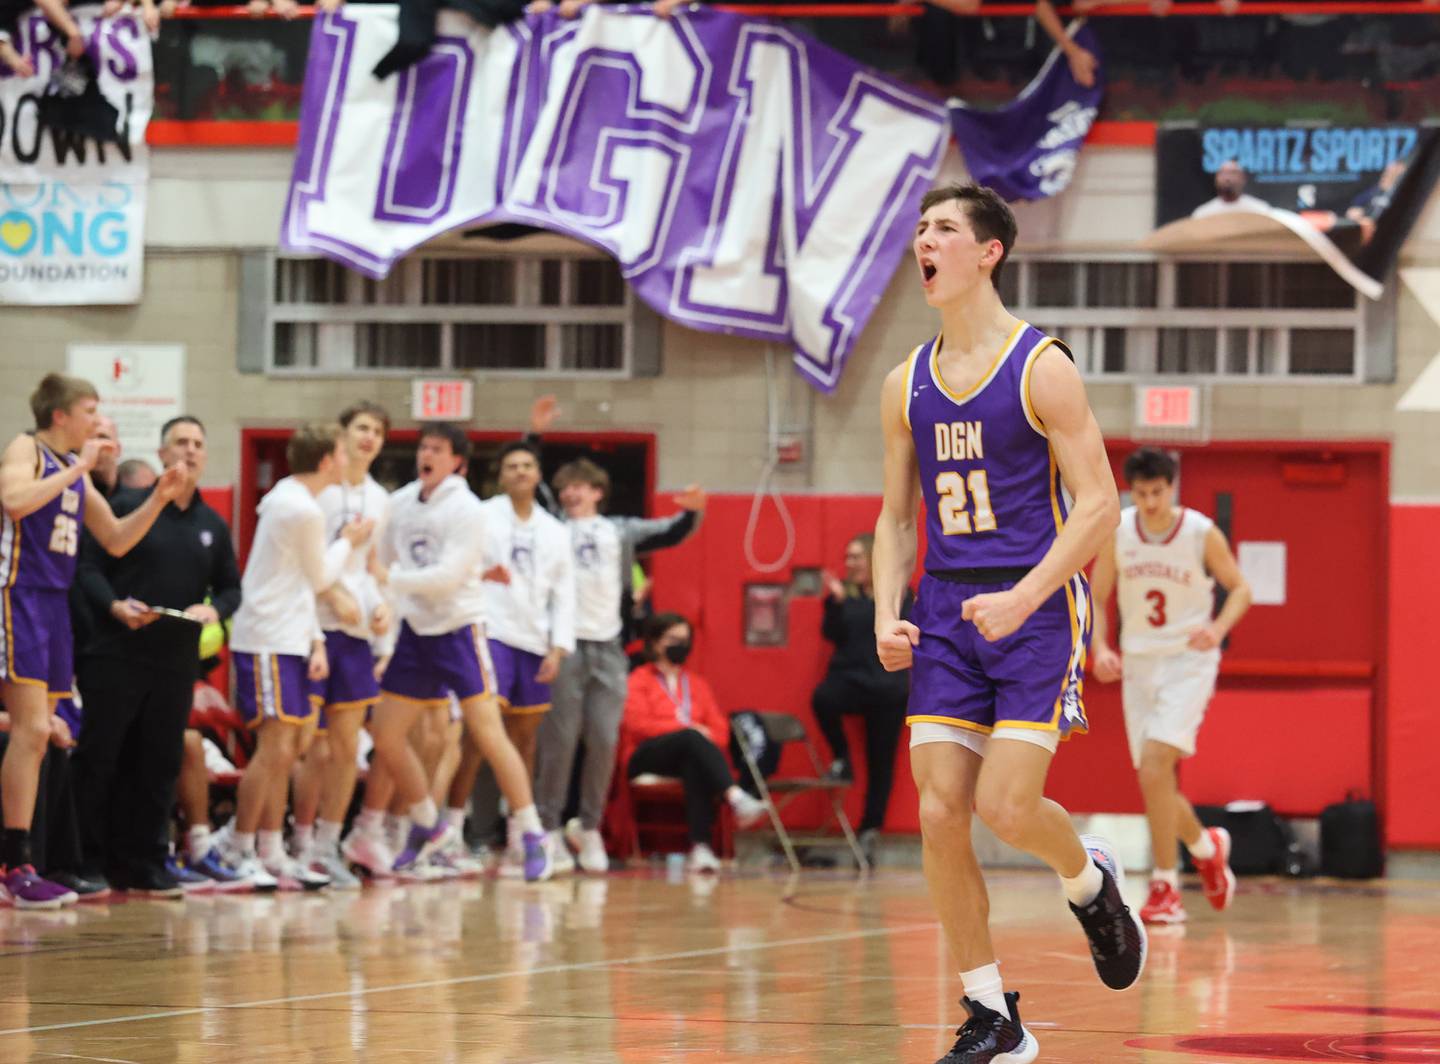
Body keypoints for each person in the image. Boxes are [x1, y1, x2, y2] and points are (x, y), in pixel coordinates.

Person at [873, 183, 1142, 1064]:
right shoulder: (903, 382)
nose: (926, 241)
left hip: (1034, 605)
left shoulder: (1042, 367)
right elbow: (896, 518)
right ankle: (993, 1014)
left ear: (988, 252)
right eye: (920, 230)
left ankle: (1088, 878)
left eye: (944, 228)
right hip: (946, 611)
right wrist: (887, 610)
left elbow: (1099, 505)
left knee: (1006, 805)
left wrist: (1027, 596)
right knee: (942, 810)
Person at [0, 373, 185, 908]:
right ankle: (17, 863)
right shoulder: (27, 448)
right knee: (33, 730)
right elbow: (13, 500)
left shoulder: (74, 476)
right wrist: (82, 467)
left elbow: (117, 540)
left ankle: (26, 861)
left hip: (54, 605)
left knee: (42, 737)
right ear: (60, 415)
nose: (97, 422)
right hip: (19, 595)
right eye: (89, 411)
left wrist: (156, 500)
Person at [345, 424, 550, 882]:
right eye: (422, 446)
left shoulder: (468, 509)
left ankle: (534, 833)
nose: (426, 454)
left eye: (436, 448)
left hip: (460, 629)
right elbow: (383, 558)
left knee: (487, 733)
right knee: (387, 733)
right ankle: (424, 821)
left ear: (457, 460)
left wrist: (387, 578)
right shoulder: (399, 503)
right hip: (416, 631)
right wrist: (384, 597)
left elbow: (449, 576)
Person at [72, 416, 243, 896]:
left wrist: (214, 611)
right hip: (115, 654)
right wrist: (114, 605)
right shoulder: (126, 507)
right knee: (102, 759)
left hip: (175, 661)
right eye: (180, 443)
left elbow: (231, 587)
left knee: (159, 764)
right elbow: (87, 570)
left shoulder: (212, 525)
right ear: (163, 454)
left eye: (197, 444)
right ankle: (86, 859)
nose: (189, 451)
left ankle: (146, 861)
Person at [1089, 447, 1251, 926]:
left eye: (1158, 492)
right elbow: (1097, 597)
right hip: (1138, 662)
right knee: (1153, 777)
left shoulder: (1201, 532)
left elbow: (1240, 588)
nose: (1151, 502)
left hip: (1187, 660)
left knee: (1157, 765)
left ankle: (1165, 886)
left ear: (1172, 487)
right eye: (1141, 493)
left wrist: (1217, 629)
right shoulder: (1118, 530)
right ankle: (1206, 846)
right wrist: (1098, 648)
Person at [534, 455, 706, 875]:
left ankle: (588, 826)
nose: (570, 492)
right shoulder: (552, 529)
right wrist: (534, 437)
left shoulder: (620, 531)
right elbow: (531, 490)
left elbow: (673, 531)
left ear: (597, 492)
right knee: (559, 742)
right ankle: (548, 827)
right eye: (565, 487)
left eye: (579, 485)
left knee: (605, 739)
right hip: (565, 645)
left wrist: (694, 510)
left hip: (609, 648)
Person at [215, 422, 369, 892]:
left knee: (291, 748)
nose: (346, 461)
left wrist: (316, 642)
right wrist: (350, 540)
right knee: (275, 749)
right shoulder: (302, 510)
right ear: (326, 460)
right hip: (265, 638)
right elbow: (321, 578)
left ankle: (271, 849)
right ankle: (236, 846)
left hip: (290, 638)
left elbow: (299, 582)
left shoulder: (291, 498)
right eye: (341, 453)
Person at [289, 401, 392, 891]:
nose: (369, 437)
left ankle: (329, 846)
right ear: (343, 436)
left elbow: (371, 568)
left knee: (348, 747)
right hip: (309, 624)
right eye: (361, 428)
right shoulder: (318, 491)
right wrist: (330, 593)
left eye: (377, 431)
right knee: (310, 745)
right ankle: (299, 841)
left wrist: (380, 609)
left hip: (354, 635)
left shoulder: (379, 499)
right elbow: (302, 563)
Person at [469, 441, 574, 875]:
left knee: (524, 740)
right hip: (491, 631)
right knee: (479, 734)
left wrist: (558, 646)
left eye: (526, 465)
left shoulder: (555, 530)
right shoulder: (482, 515)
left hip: (533, 640)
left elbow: (564, 593)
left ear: (537, 474)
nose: (519, 471)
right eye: (510, 465)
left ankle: (519, 833)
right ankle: (472, 831)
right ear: (501, 475)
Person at [621, 613, 767, 873]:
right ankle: (735, 797)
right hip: (645, 754)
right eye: (673, 639)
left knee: (694, 760)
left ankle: (700, 848)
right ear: (655, 643)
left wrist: (696, 734)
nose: (681, 645)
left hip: (685, 755)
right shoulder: (639, 680)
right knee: (691, 738)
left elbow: (721, 733)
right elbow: (638, 726)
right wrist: (686, 729)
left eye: (685, 640)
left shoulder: (697, 684)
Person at [812, 534, 911, 864]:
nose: (850, 563)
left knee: (880, 764)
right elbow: (831, 634)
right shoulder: (843, 595)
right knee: (823, 698)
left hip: (888, 688)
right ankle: (841, 758)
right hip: (850, 680)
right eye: (848, 557)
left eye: (856, 557)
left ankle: (869, 831)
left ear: (872, 558)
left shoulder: (897, 594)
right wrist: (837, 603)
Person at [1191, 160, 1269, 219]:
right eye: (1223, 173)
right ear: (1216, 179)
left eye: (1233, 173)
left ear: (1243, 178)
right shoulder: (1202, 214)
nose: (1227, 178)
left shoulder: (1259, 210)